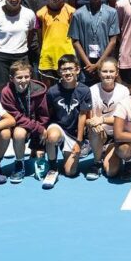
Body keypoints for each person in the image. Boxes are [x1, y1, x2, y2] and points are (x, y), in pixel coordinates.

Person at [43, 54, 91, 188]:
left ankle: (68, 151)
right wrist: (41, 142)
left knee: (70, 172)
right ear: (59, 72)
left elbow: (82, 116)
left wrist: (79, 142)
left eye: (70, 68)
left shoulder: (84, 90)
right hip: (58, 128)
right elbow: (47, 116)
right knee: (52, 136)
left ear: (77, 70)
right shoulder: (52, 92)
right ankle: (52, 168)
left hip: (74, 133)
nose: (68, 72)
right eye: (64, 69)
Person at [0, 59, 50, 183]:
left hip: (38, 125)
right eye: (19, 77)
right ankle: (19, 163)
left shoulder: (38, 89)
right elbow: (16, 117)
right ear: (11, 78)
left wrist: (39, 137)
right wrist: (38, 128)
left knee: (39, 155)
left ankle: (38, 152)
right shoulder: (6, 93)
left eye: (26, 76)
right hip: (19, 125)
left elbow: (44, 115)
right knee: (19, 133)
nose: (23, 80)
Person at [68, 0, 119, 86]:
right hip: (86, 65)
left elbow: (113, 41)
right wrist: (89, 64)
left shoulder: (112, 13)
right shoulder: (78, 14)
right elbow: (75, 42)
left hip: (105, 64)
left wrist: (99, 64)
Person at [85, 57, 129, 180]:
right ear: (99, 73)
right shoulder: (92, 90)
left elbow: (123, 119)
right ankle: (97, 162)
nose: (108, 75)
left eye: (111, 71)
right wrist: (94, 124)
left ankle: (112, 152)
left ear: (116, 73)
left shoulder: (123, 91)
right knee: (94, 130)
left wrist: (102, 120)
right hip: (100, 132)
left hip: (117, 134)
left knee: (111, 172)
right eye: (104, 71)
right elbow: (89, 118)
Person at [36, 0, 75, 85]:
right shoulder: (41, 13)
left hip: (67, 55)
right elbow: (40, 36)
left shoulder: (71, 12)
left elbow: (75, 36)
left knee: (68, 88)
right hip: (48, 57)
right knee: (49, 92)